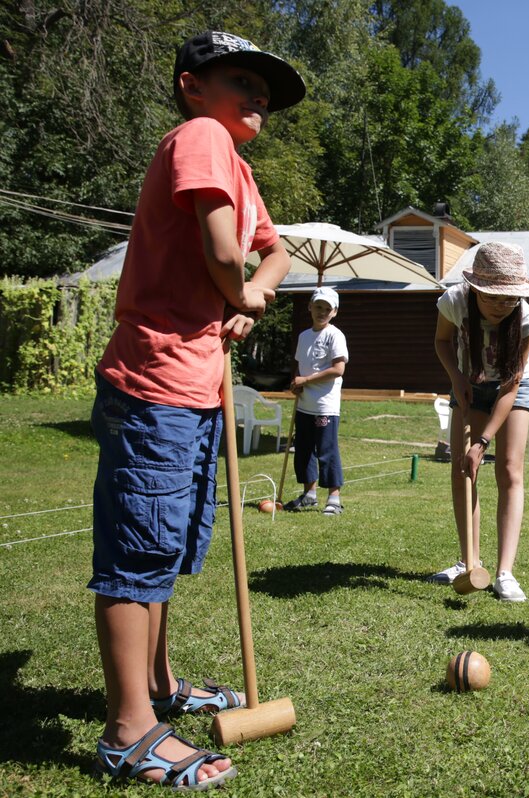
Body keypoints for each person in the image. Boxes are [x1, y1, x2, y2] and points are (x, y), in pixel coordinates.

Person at [89, 31, 303, 789]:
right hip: (153, 383)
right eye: (241, 80)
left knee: (166, 546)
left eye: (264, 92)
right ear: (191, 87)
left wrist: (255, 294)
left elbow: (274, 252)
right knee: (138, 552)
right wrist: (237, 288)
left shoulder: (237, 167)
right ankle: (128, 732)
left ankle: (156, 688)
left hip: (191, 387)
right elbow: (224, 251)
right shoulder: (202, 137)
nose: (258, 98)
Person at [427, 242, 529, 602]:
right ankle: (468, 561)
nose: (502, 306)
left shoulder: (524, 319)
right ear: (476, 288)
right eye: (494, 298)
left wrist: (484, 440)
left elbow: (513, 384)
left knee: (509, 471)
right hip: (468, 384)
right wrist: (457, 378)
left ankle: (505, 572)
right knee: (464, 470)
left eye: (509, 298)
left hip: (510, 391)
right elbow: (442, 342)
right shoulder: (454, 302)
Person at [284, 286, 349, 515]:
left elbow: (338, 369)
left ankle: (334, 498)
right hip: (305, 405)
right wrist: (297, 384)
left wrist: (307, 380)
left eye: (327, 308)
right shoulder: (303, 336)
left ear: (334, 312)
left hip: (325, 406)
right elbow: (301, 367)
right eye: (318, 306)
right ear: (310, 307)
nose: (322, 311)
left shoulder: (335, 335)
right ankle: (309, 494)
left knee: (326, 450)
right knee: (303, 450)